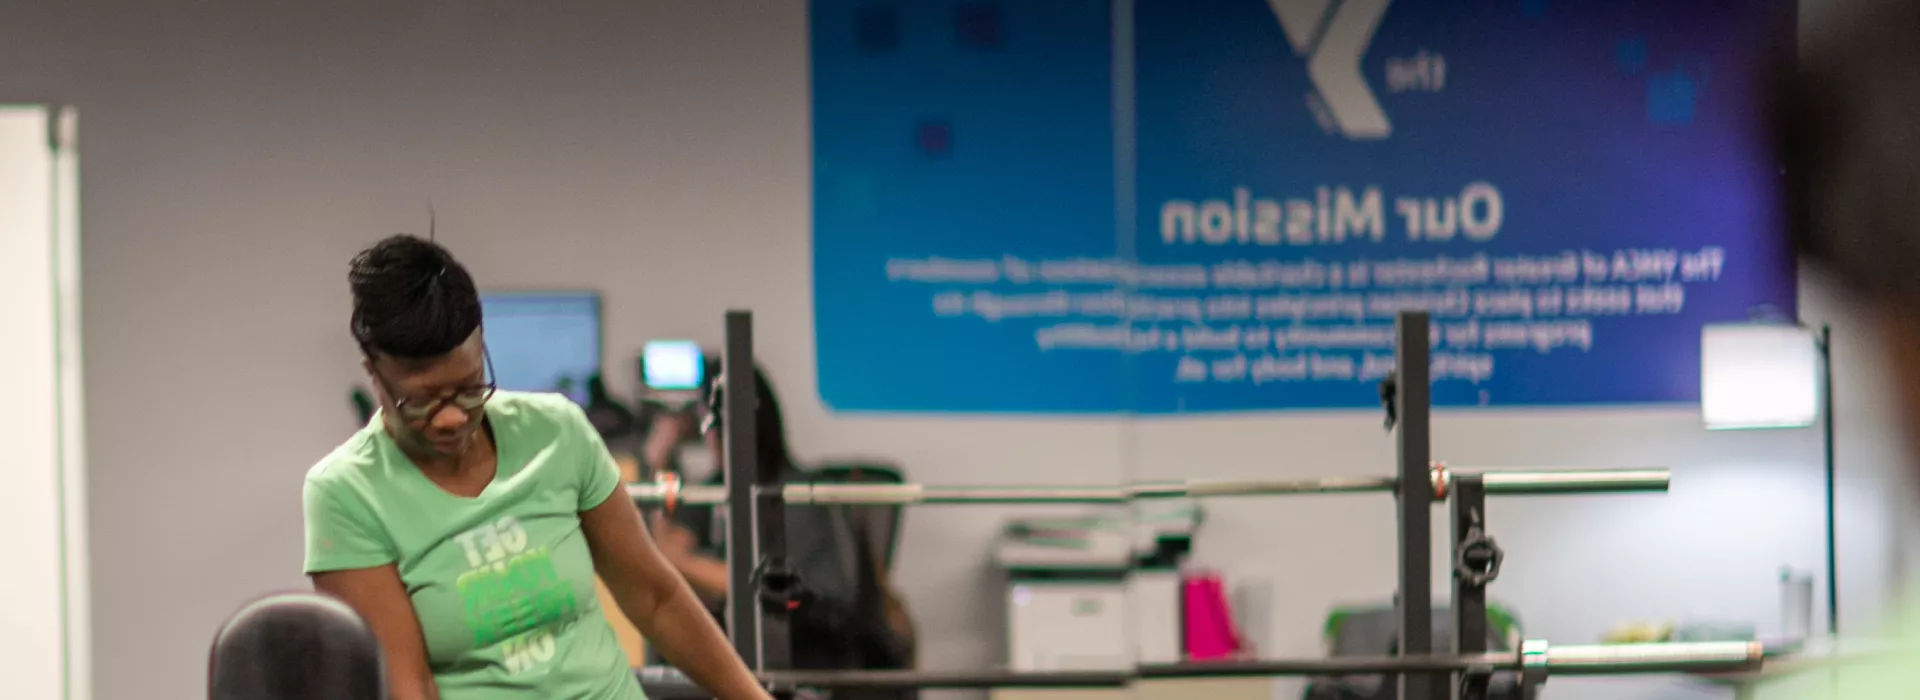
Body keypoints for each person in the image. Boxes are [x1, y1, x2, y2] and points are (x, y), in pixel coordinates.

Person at [302, 234, 771, 700]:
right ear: (373, 374)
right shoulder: (347, 492)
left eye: (468, 389)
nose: (450, 417)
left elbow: (656, 597)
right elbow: (409, 686)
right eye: (419, 401)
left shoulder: (556, 431)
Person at [644, 366, 917, 680]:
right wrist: (659, 462)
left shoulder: (795, 494)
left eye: (713, 423)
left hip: (808, 650)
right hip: (745, 650)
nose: (709, 437)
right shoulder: (717, 488)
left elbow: (764, 584)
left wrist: (682, 562)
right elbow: (664, 548)